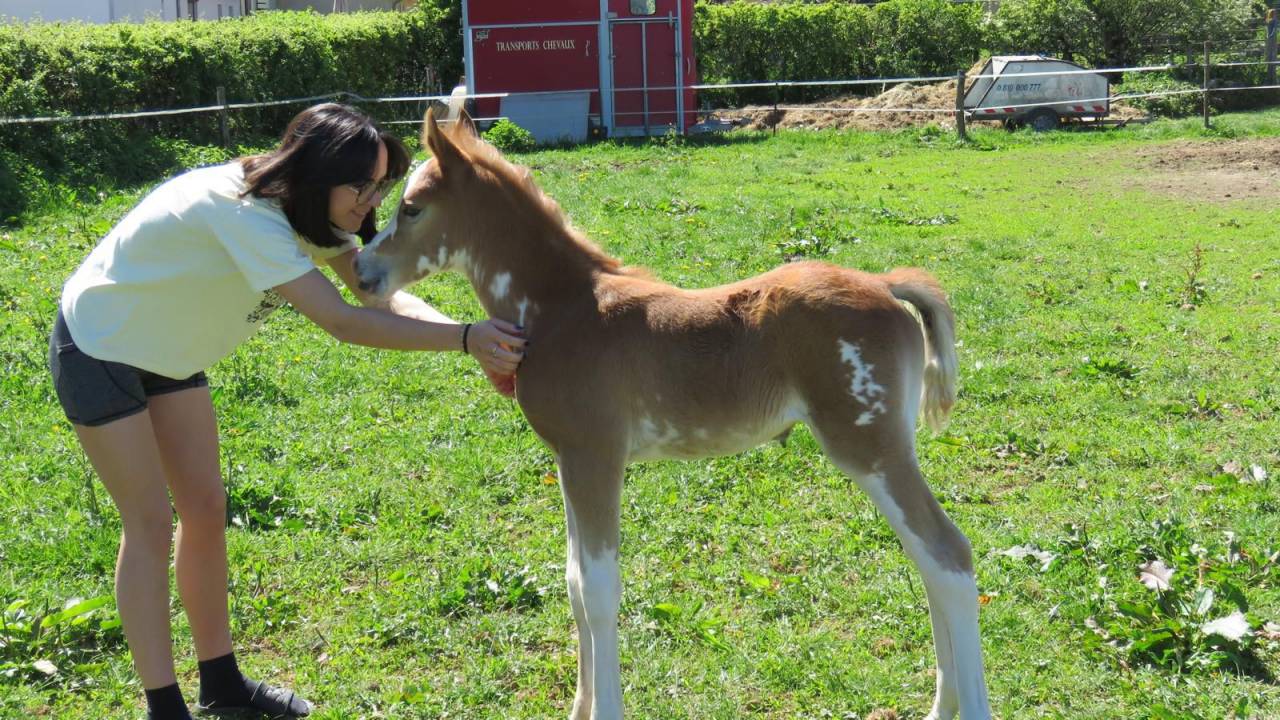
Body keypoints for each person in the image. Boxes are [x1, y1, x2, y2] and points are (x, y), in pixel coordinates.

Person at [47, 103, 525, 720]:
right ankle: (164, 708)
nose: (371, 201)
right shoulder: (244, 212)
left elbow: (374, 292)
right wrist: (464, 339)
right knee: (149, 523)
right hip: (101, 343)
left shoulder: (312, 210)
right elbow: (341, 321)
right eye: (361, 186)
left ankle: (221, 685)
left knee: (205, 510)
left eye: (379, 185)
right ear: (317, 173)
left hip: (171, 352)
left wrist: (472, 339)